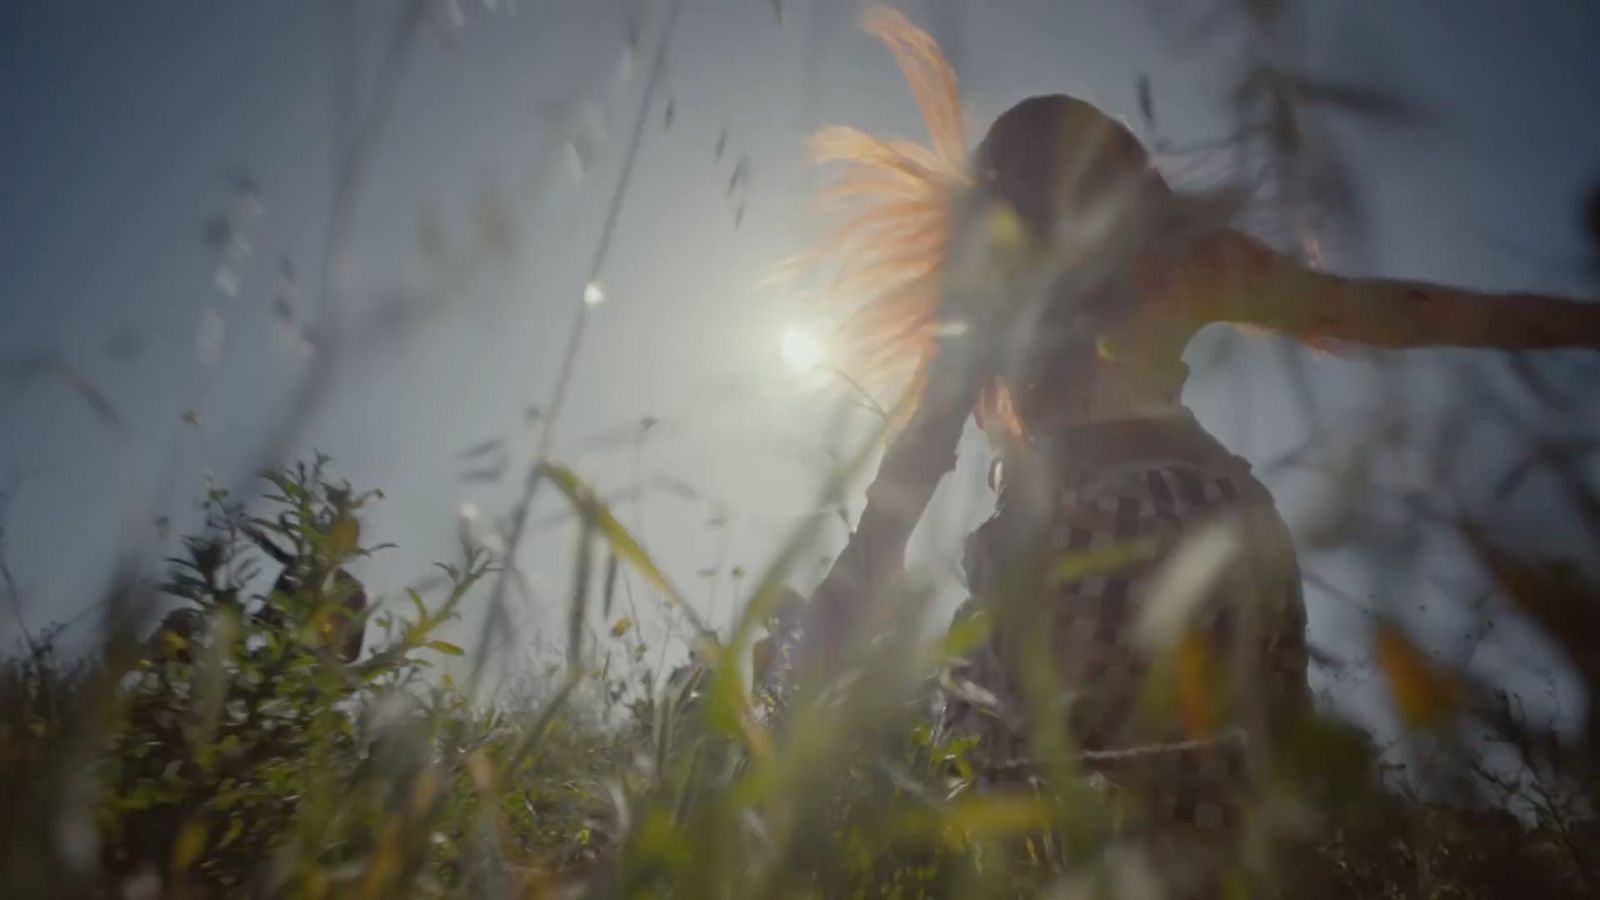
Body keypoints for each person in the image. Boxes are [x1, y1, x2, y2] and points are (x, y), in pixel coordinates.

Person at [782, 6, 1600, 890]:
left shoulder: (994, 298)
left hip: (1085, 538)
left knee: (1024, 815)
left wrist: (840, 605)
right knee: (1213, 823)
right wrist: (1566, 323)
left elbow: (915, 467)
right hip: (1222, 533)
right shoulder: (1174, 264)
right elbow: (1398, 313)